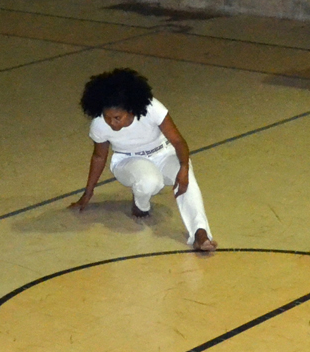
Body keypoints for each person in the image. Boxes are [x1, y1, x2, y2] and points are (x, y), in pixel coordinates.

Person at [69, 67, 216, 253]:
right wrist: (87, 194)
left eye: (117, 117)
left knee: (187, 181)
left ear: (131, 110)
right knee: (149, 181)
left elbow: (178, 141)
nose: (112, 123)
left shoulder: (151, 109)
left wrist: (185, 167)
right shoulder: (99, 124)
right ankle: (140, 206)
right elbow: (99, 156)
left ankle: (200, 232)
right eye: (108, 118)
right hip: (127, 161)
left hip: (163, 153)